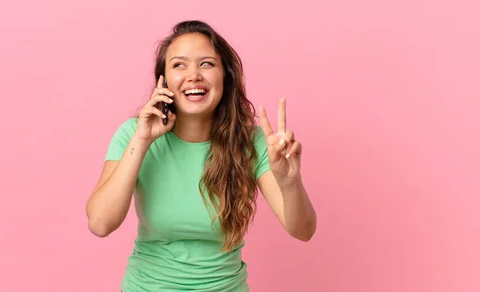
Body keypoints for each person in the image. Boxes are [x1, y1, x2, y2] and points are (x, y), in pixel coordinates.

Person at [86, 20, 317, 292]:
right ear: (163, 80)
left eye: (206, 63)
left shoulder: (252, 141)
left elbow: (303, 231)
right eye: (179, 65)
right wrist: (142, 140)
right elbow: (100, 224)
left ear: (225, 76)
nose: (193, 75)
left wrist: (290, 182)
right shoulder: (133, 134)